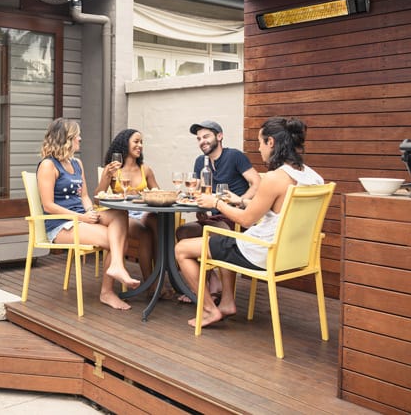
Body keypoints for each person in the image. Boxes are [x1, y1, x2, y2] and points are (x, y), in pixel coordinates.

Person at [175, 117, 324, 328]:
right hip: (292, 253)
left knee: (181, 249)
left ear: (271, 142)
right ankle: (226, 302)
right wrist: (241, 200)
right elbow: (272, 207)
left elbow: (246, 219)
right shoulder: (313, 177)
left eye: (260, 142)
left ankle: (209, 310)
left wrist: (216, 202)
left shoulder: (274, 178)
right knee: (216, 237)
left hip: (258, 251)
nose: (259, 148)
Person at [37, 118, 140, 310]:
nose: (80, 139)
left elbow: (84, 196)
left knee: (120, 214)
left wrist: (91, 211)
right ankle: (107, 292)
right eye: (77, 136)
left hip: (81, 217)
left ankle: (116, 265)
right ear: (66, 139)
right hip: (60, 225)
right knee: (117, 240)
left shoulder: (77, 163)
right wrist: (81, 218)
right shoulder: (48, 166)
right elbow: (48, 205)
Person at [175, 120, 261, 303]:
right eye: (199, 139)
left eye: (206, 136)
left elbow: (257, 182)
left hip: (236, 219)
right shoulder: (200, 162)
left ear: (219, 136)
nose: (202, 141)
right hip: (215, 218)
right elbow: (199, 192)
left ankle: (223, 297)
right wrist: (200, 207)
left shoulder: (235, 156)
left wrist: (240, 202)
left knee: (218, 233)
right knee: (183, 232)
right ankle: (210, 283)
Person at [94, 129, 160, 288]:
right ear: (125, 144)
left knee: (159, 225)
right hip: (123, 214)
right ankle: (151, 284)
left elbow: (158, 194)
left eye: (141, 142)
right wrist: (106, 176)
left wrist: (150, 195)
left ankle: (162, 277)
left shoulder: (146, 170)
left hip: (144, 212)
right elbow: (97, 198)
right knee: (145, 233)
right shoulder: (113, 169)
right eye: (136, 142)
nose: (140, 145)